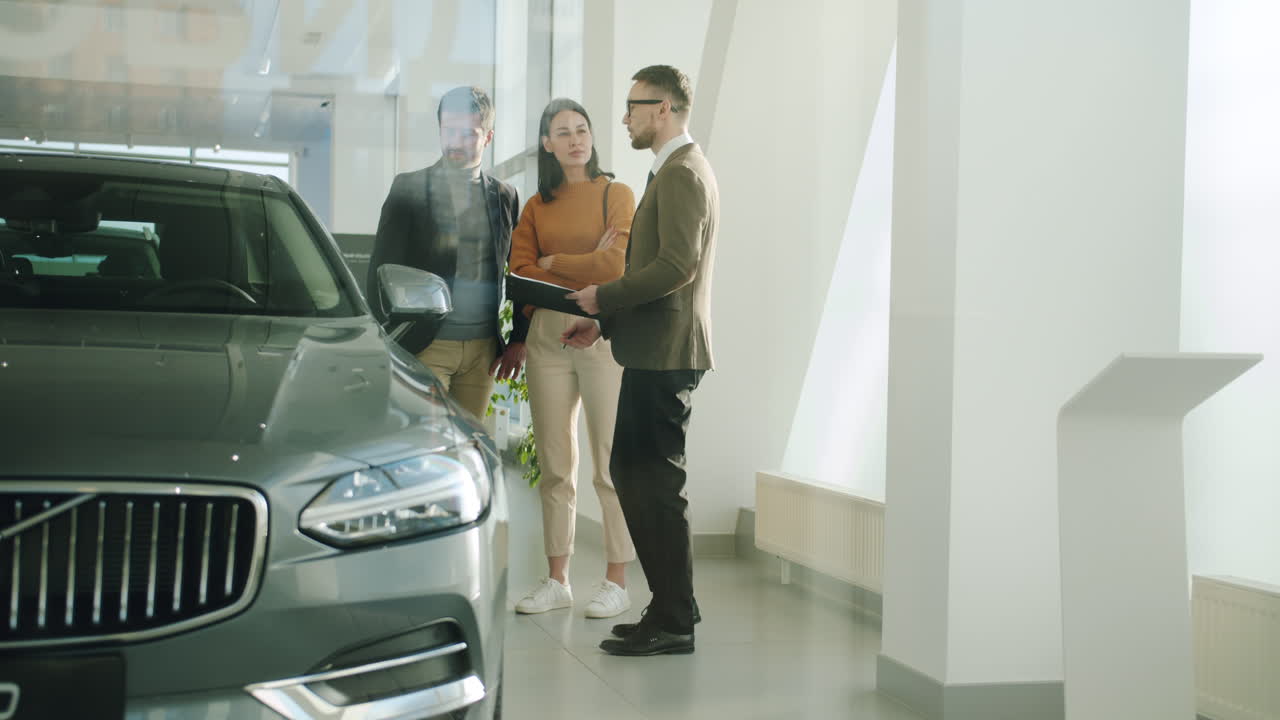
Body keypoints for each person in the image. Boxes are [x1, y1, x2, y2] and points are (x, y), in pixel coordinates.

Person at [562, 65, 719, 656]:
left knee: (652, 483)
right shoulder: (670, 170)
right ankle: (672, 607)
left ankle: (675, 618)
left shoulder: (682, 173)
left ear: (665, 109)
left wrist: (605, 296)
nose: (625, 118)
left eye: (634, 106)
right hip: (653, 347)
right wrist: (603, 321)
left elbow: (676, 266)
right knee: (640, 477)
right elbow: (657, 270)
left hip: (668, 352)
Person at [507, 98, 638, 619]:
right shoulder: (535, 207)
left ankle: (616, 580)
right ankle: (558, 578)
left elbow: (617, 262)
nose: (575, 139)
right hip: (545, 337)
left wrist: (554, 262)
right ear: (547, 144)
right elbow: (519, 274)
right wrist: (579, 268)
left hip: (604, 333)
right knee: (557, 465)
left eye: (581, 129)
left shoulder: (616, 193)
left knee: (609, 463)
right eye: (562, 132)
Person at [367, 86, 528, 419]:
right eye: (449, 131)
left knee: (468, 449)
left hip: (483, 352)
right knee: (425, 446)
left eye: (468, 133)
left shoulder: (505, 196)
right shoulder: (408, 188)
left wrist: (518, 339)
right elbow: (381, 271)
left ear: (488, 137)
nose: (456, 142)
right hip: (425, 346)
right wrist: (386, 341)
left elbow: (520, 273)